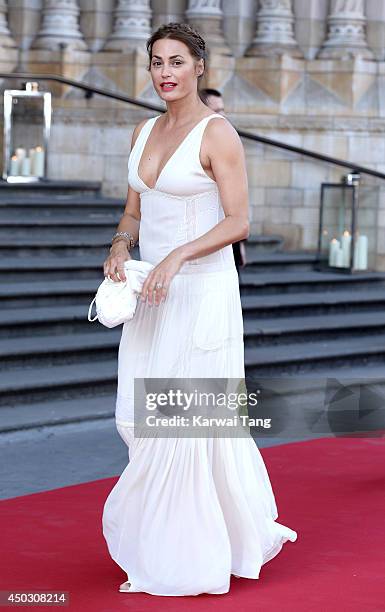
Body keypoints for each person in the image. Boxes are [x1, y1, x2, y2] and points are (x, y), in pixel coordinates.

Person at [101, 22, 297, 597]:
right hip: (152, 296)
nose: (165, 73)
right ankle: (176, 537)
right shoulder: (142, 131)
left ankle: (188, 556)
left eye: (177, 62)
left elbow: (238, 222)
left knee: (181, 425)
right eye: (157, 62)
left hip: (202, 291)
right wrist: (119, 244)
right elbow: (135, 212)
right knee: (142, 419)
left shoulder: (219, 134)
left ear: (199, 68)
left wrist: (178, 257)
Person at [198, 87, 247, 275]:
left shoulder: (227, 140)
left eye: (223, 109)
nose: (223, 115)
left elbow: (237, 201)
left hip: (225, 232)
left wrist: (240, 246)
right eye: (217, 111)